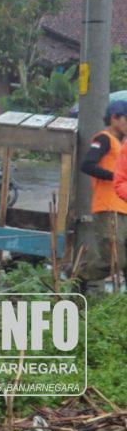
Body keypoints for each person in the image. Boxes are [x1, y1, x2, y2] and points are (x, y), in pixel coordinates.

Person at [84, 100, 127, 294]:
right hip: (107, 207)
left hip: (122, 207)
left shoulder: (121, 144)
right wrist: (115, 176)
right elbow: (88, 165)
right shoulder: (103, 139)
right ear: (115, 118)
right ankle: (76, 274)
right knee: (114, 259)